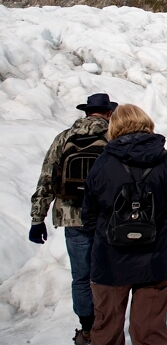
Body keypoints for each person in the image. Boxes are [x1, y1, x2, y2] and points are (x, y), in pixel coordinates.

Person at [82, 104, 167, 345]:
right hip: (155, 259)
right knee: (150, 333)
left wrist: (103, 236)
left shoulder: (102, 164)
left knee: (106, 331)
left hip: (110, 260)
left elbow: (88, 215)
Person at [29, 93, 117, 345]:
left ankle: (87, 329)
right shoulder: (113, 137)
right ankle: (108, 326)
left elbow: (47, 178)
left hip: (71, 215)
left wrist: (38, 218)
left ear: (87, 112)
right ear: (108, 113)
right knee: (107, 274)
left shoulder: (64, 138)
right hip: (105, 217)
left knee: (81, 276)